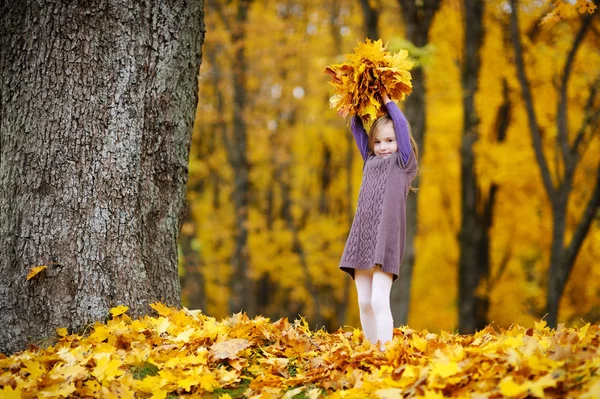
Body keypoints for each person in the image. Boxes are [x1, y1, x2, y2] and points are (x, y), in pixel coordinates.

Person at [339, 92, 418, 350]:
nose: (383, 146)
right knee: (363, 302)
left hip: (385, 241)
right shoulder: (369, 160)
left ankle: (386, 355)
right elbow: (357, 129)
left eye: (390, 140)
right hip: (362, 238)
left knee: (378, 301)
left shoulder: (403, 163)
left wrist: (386, 100)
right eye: (378, 142)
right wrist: (355, 104)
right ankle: (372, 351)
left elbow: (402, 126)